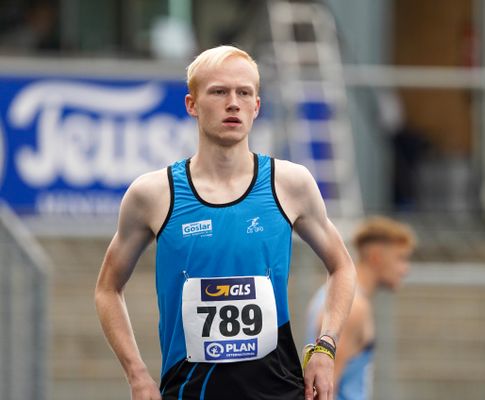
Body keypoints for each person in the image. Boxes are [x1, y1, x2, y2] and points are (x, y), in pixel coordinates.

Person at [95, 45, 356, 400]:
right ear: (192, 104)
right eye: (219, 91)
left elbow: (342, 266)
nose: (233, 103)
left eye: (244, 93)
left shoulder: (290, 183)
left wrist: (325, 349)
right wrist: (137, 375)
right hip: (189, 390)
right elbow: (107, 289)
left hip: (278, 390)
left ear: (256, 107)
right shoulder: (153, 194)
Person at [305, 216, 415, 400]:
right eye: (400, 258)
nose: (406, 270)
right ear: (376, 257)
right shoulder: (353, 308)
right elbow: (325, 390)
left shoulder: (336, 298)